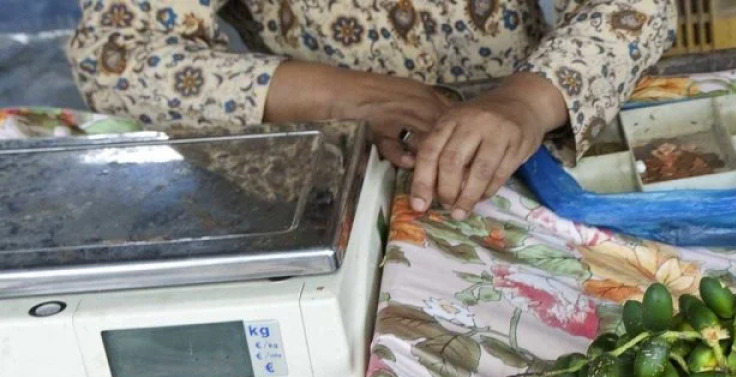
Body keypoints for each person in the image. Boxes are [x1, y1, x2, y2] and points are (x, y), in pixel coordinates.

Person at [68, 0, 672, 218]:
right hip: (323, 183)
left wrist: (524, 102)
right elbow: (113, 53)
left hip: (514, 167)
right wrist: (348, 97)